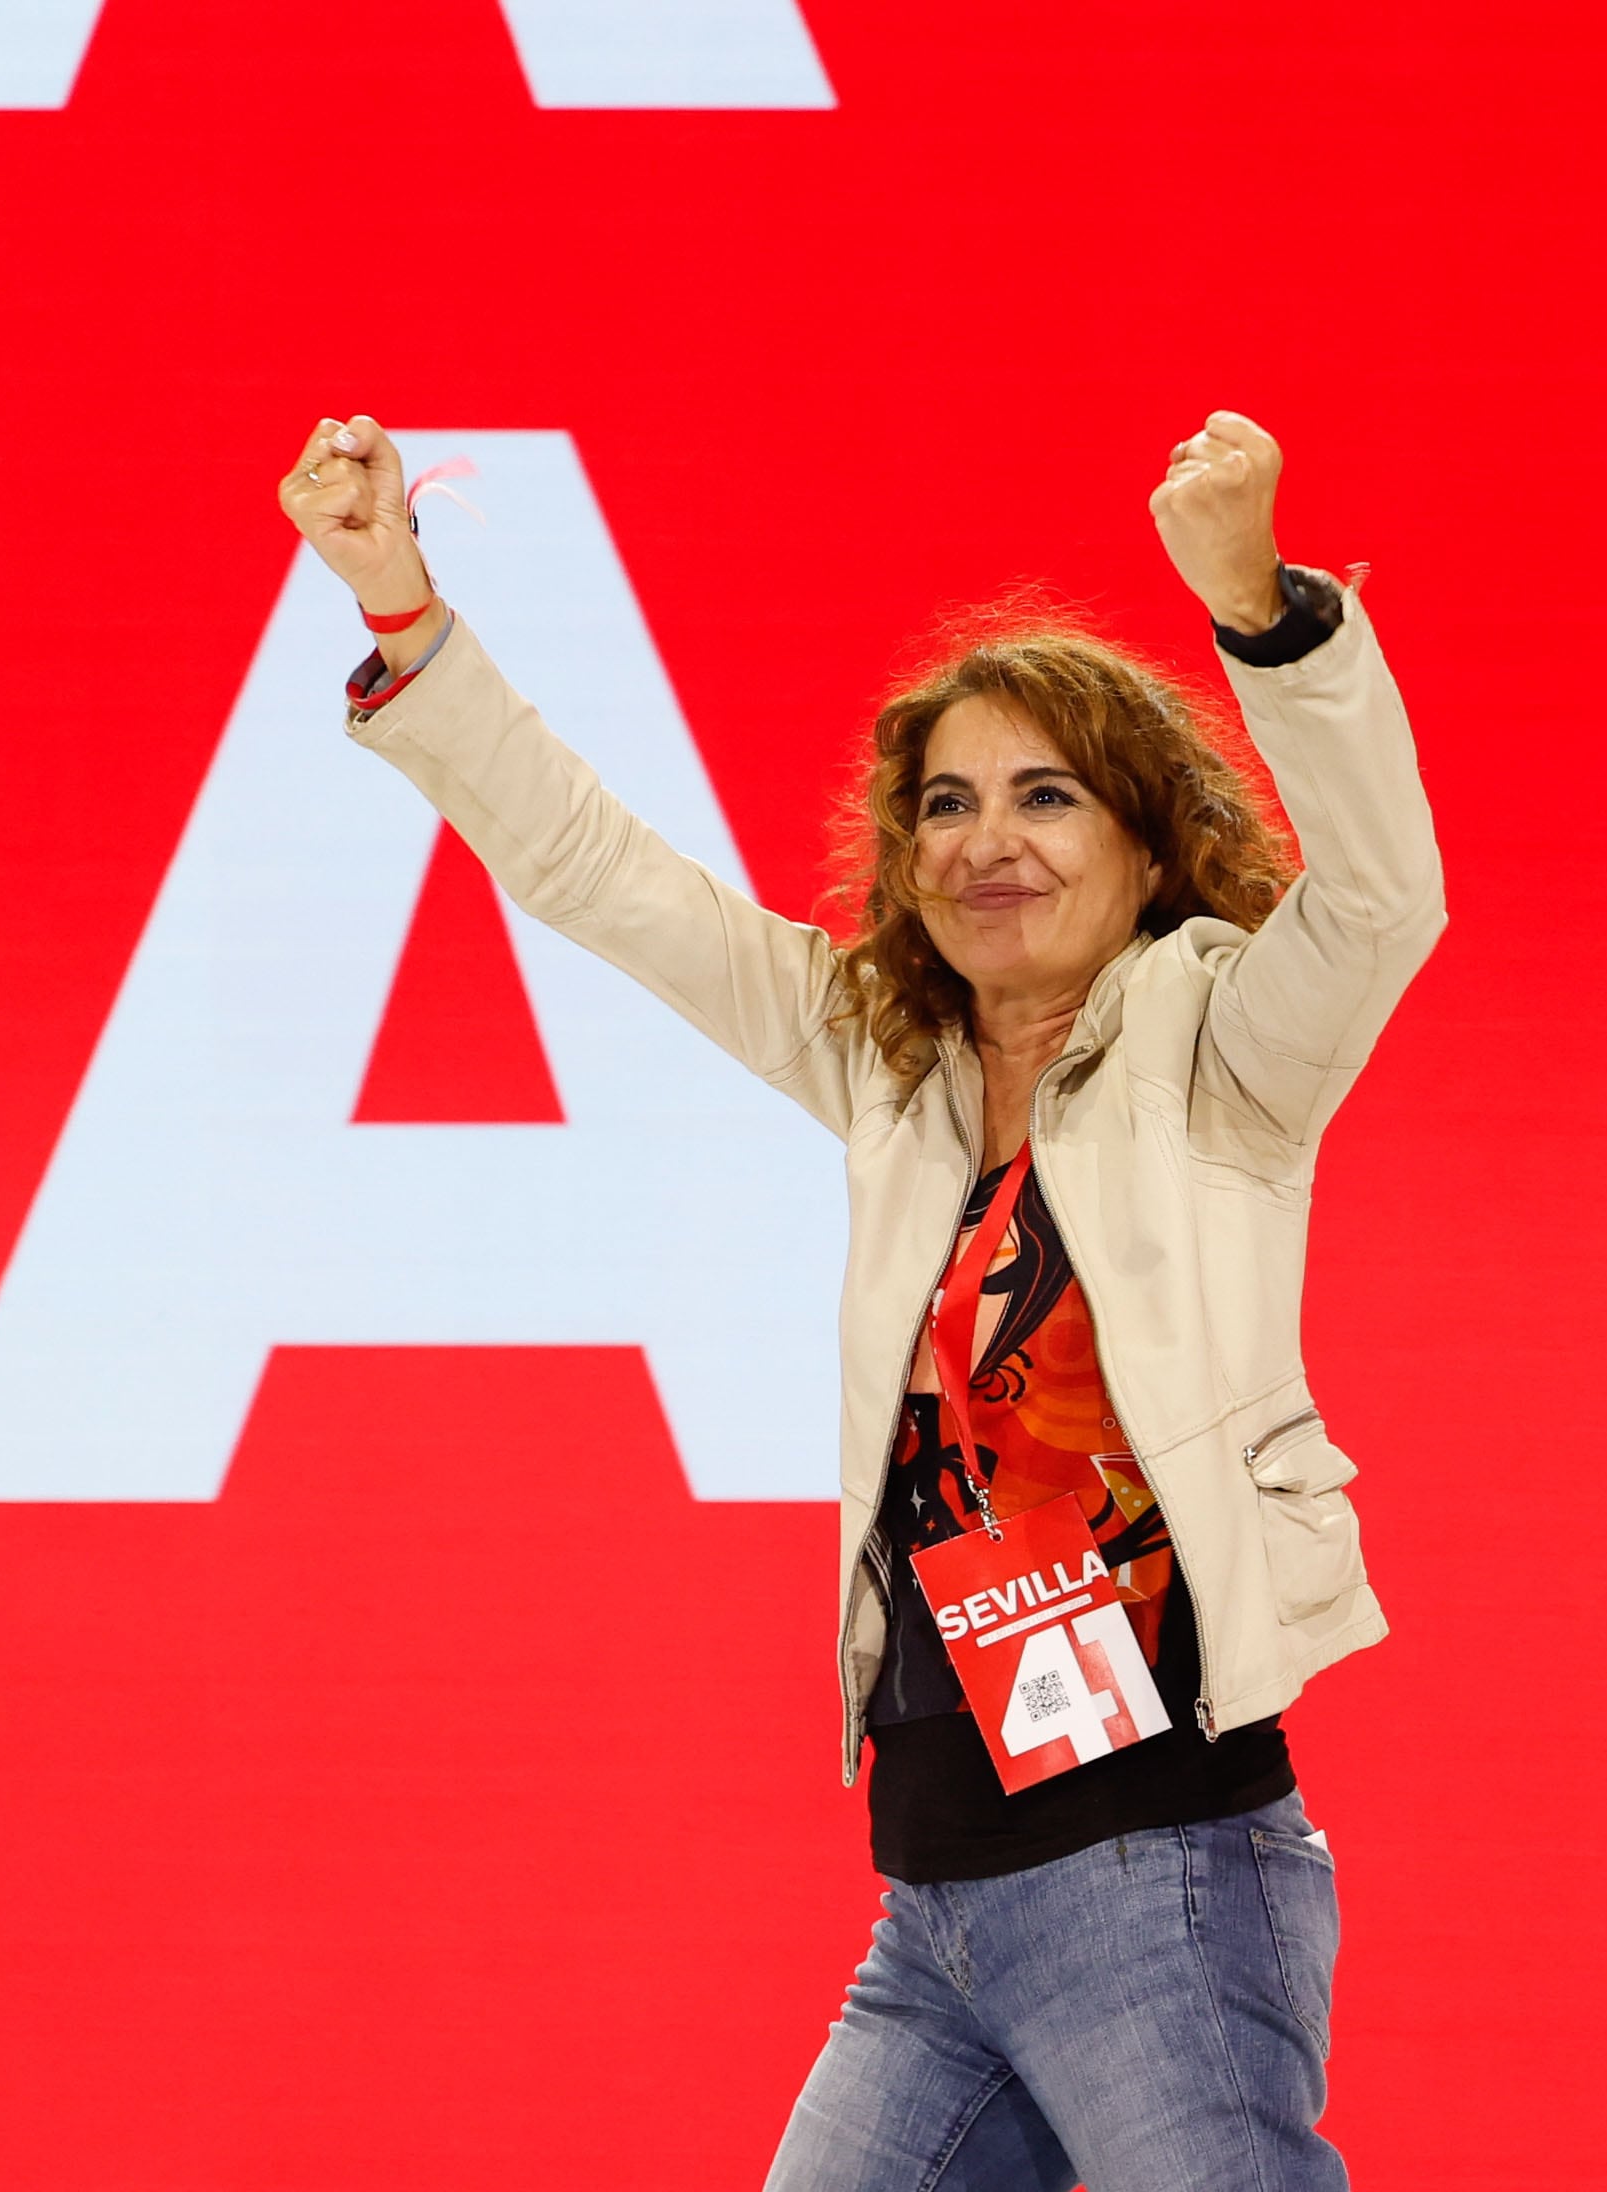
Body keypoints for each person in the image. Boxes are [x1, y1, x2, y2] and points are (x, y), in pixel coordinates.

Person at [277, 408, 1442, 2192]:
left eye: (1048, 797)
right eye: (949, 806)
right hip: (935, 1912)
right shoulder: (884, 1059)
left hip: (1158, 1874)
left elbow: (1378, 902)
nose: (989, 842)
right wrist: (403, 611)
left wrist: (1261, 615)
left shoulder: (1223, 1051)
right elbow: (604, 875)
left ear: (1146, 845)